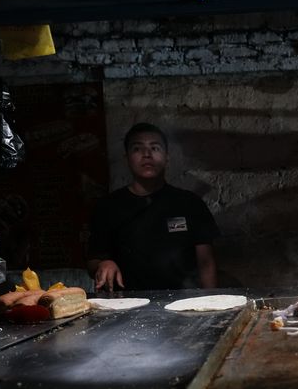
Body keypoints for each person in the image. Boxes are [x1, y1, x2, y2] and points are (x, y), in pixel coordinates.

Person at [87, 122, 219, 291]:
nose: (147, 154)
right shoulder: (108, 206)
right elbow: (92, 261)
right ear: (126, 158)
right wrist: (103, 264)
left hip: (185, 304)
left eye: (155, 148)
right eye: (137, 149)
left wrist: (212, 301)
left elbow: (206, 263)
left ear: (166, 157)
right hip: (128, 306)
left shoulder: (189, 203)